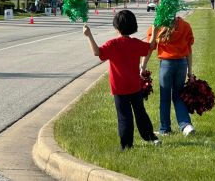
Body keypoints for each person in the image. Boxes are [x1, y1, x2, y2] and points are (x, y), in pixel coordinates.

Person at [83, 10, 161, 150]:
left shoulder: (113, 44)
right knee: (140, 113)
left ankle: (126, 145)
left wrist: (89, 35)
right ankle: (150, 137)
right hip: (134, 86)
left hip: (119, 88)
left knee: (124, 117)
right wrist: (154, 33)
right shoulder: (135, 43)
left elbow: (97, 52)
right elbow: (150, 47)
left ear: (116, 27)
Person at [140, 13, 195, 137]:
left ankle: (165, 129)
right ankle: (186, 125)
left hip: (166, 64)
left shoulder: (157, 26)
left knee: (165, 97)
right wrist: (190, 72)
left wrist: (142, 67)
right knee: (178, 95)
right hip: (182, 63)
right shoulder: (185, 26)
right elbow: (189, 50)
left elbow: (149, 48)